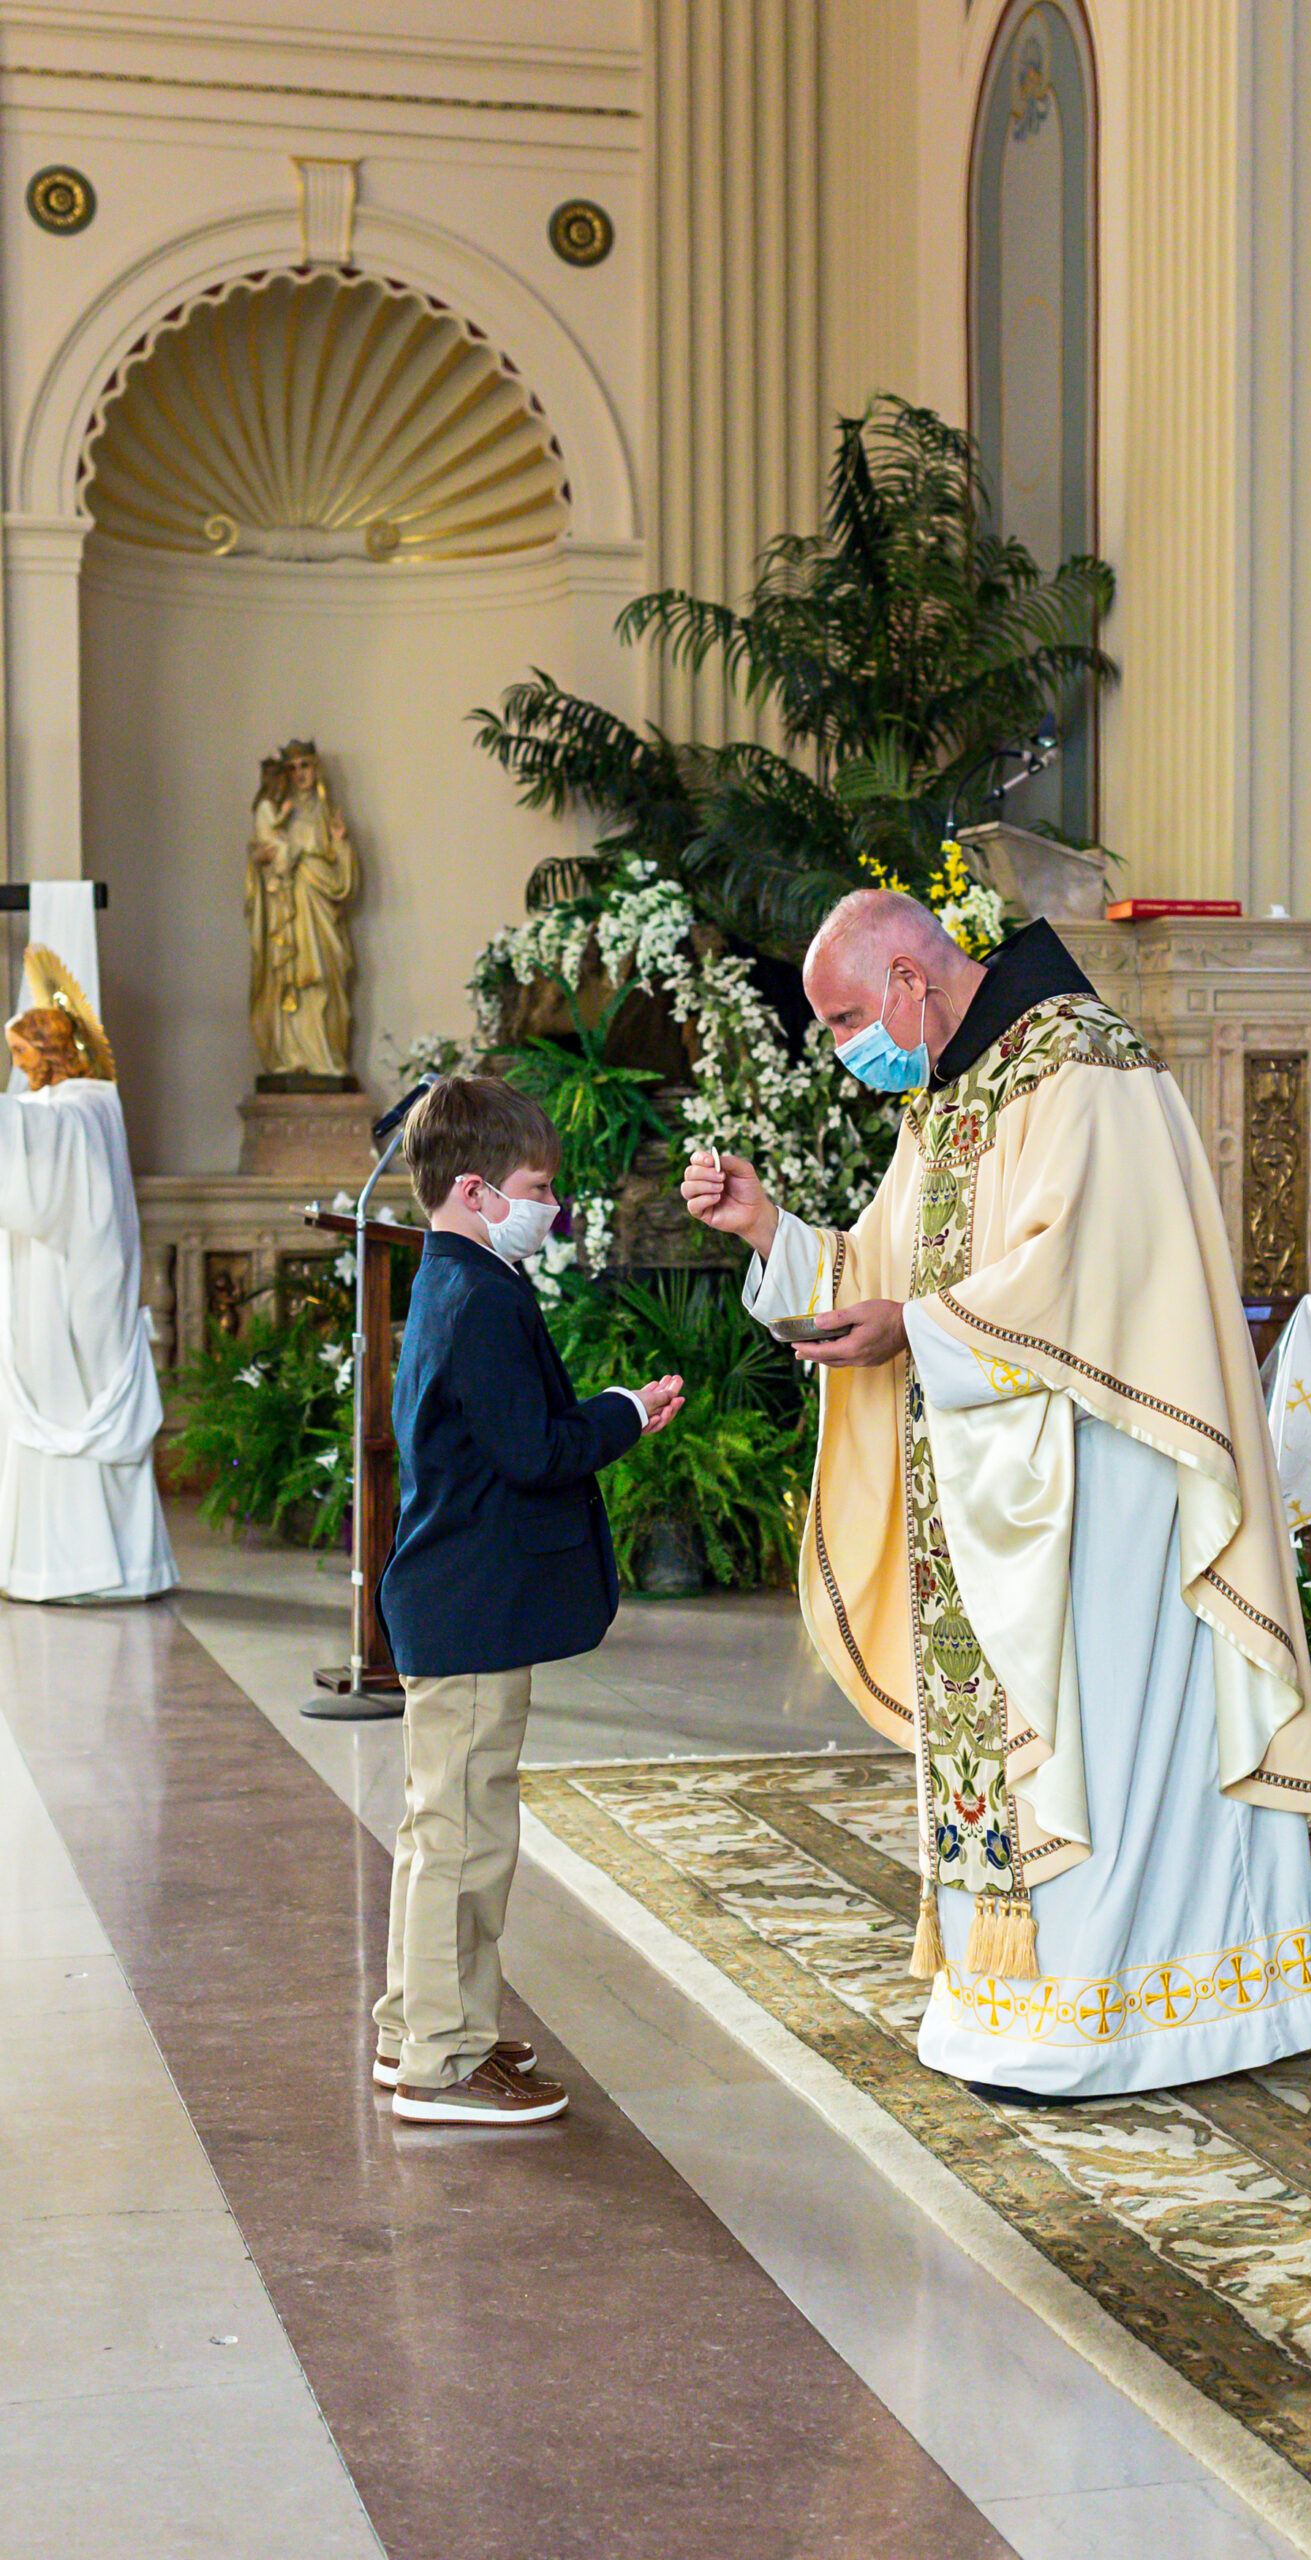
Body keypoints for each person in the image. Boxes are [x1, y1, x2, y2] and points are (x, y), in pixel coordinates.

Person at [683, 891, 1311, 2101]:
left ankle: (1127, 2011)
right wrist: (770, 1229)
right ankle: (1017, 1996)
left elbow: (1086, 1274)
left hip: (1108, 1480)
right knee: (1042, 1738)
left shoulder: (1087, 1067)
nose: (842, 1050)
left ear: (907, 984)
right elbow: (887, 1263)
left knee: (1100, 1729)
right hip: (1002, 1480)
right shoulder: (955, 1092)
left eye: (841, 1019)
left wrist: (915, 1330)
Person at [374, 1075, 684, 2127]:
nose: (550, 1206)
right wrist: (620, 1416)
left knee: (440, 1829)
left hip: (452, 1597)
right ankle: (444, 2062)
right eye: (537, 1187)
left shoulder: (452, 1275)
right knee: (463, 1838)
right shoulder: (484, 1296)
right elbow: (533, 1452)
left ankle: (414, 2022)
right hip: (470, 1607)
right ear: (472, 1189)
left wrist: (602, 1410)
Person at [0, 945, 177, 1605]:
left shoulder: (73, 1112)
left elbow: (28, 1162)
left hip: (73, 1300)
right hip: (81, 1288)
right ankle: (90, 1566)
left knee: (64, 1411)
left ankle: (73, 1571)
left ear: (48, 1054)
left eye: (21, 1057)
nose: (17, 1071)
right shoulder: (93, 1106)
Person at [245, 738, 358, 1078]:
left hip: (318, 908)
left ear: (316, 768)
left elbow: (342, 880)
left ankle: (326, 1056)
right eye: (292, 768)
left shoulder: (326, 814)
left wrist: (340, 844)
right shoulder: (277, 811)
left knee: (324, 978)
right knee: (286, 982)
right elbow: (262, 862)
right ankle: (291, 1056)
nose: (300, 774)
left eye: (305, 766)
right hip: (285, 910)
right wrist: (257, 864)